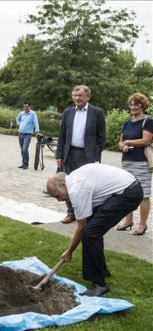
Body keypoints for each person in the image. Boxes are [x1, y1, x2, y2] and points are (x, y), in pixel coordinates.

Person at [46, 164, 143, 296]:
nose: (58, 200)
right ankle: (102, 271)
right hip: (127, 188)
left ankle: (99, 284)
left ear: (63, 185)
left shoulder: (76, 190)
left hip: (127, 194)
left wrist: (69, 251)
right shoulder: (73, 178)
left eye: (57, 195)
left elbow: (81, 228)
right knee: (93, 229)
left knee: (90, 233)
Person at [56, 85, 106, 224]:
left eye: (80, 96)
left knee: (86, 186)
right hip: (69, 154)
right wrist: (59, 155)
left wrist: (95, 156)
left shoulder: (97, 113)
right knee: (67, 184)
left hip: (87, 156)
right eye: (75, 95)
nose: (77, 98)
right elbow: (62, 136)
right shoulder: (68, 112)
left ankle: (87, 215)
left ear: (87, 97)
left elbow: (102, 138)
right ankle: (71, 212)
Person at [116, 93, 152, 235]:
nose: (133, 107)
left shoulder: (148, 122)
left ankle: (143, 224)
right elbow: (120, 141)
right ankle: (128, 220)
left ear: (142, 106)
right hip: (127, 161)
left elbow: (146, 141)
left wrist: (129, 142)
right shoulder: (127, 123)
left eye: (136, 104)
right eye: (131, 104)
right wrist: (123, 146)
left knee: (144, 194)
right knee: (127, 191)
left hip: (142, 162)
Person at [16, 101, 40, 169]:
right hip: (20, 134)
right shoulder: (21, 113)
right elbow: (17, 119)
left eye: (26, 106)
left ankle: (26, 164)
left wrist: (37, 131)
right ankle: (23, 163)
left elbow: (36, 122)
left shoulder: (33, 114)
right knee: (22, 150)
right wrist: (19, 123)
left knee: (24, 149)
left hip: (28, 134)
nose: (25, 108)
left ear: (30, 106)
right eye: (24, 106)